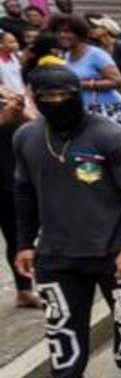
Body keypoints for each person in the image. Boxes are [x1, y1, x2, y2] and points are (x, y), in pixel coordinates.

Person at [13, 66, 121, 378]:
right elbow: (24, 193)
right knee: (61, 325)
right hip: (55, 252)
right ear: (35, 99)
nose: (57, 102)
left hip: (112, 248)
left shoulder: (113, 137)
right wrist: (24, 243)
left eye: (65, 95)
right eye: (48, 97)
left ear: (78, 94)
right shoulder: (26, 137)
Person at [53, 13, 121, 131]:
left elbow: (118, 81)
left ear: (79, 33)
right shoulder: (67, 56)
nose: (62, 35)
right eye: (58, 32)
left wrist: (84, 85)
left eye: (67, 31)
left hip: (107, 109)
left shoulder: (96, 54)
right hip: (83, 111)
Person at [0, 84, 37, 308]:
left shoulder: (6, 95)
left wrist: (20, 107)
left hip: (11, 177)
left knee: (17, 234)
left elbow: (36, 123)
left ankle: (24, 290)